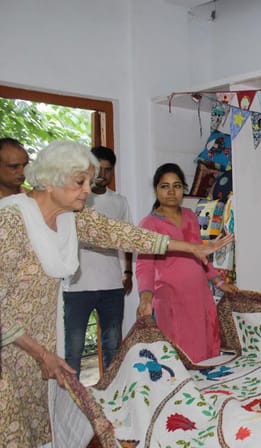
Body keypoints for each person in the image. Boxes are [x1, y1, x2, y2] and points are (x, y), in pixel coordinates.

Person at [0, 141, 231, 447]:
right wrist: (41, 354)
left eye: (89, 181)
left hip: (42, 342)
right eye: (80, 182)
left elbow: (125, 235)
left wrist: (192, 248)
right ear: (52, 180)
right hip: (11, 346)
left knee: (36, 424)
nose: (88, 190)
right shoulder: (10, 220)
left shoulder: (73, 217)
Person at [136, 163, 236, 363]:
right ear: (156, 190)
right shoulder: (149, 224)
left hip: (199, 295)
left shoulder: (190, 216)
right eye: (164, 186)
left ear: (184, 189)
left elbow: (200, 254)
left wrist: (218, 282)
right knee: (180, 354)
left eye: (177, 186)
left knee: (206, 349)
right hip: (171, 298)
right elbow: (144, 266)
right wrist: (146, 298)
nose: (171, 192)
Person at [62, 146, 134, 377]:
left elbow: (128, 239)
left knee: (113, 346)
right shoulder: (75, 199)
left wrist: (128, 272)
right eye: (99, 169)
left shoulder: (119, 202)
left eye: (108, 169)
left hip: (112, 286)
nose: (103, 174)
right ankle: (72, 395)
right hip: (77, 286)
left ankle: (111, 392)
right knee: (74, 349)